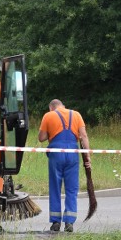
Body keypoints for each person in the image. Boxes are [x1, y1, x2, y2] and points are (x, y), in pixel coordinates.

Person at [38, 99, 90, 232]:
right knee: (72, 189)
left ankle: (56, 222)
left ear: (51, 108)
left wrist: (51, 131)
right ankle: (69, 222)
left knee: (55, 186)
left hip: (56, 153)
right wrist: (87, 157)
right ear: (63, 106)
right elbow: (83, 136)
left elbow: (41, 137)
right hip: (73, 153)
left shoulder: (48, 116)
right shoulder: (76, 115)